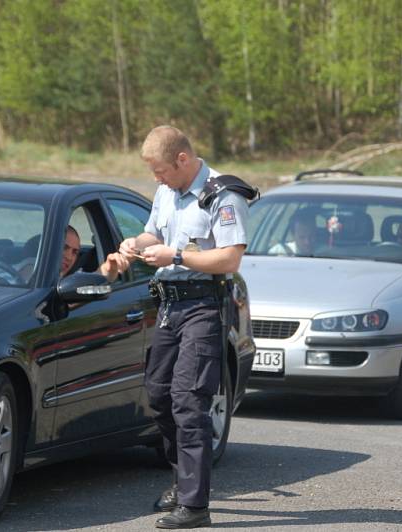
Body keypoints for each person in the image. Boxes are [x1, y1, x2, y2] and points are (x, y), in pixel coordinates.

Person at [116, 125, 249, 529]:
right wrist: (133, 245)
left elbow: (229, 259)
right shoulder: (167, 192)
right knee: (159, 395)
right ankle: (183, 479)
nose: (156, 179)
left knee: (189, 401)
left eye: (160, 171)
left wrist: (174, 256)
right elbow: (152, 233)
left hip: (204, 305)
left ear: (182, 160)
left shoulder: (222, 195)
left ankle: (194, 506)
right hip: (170, 308)